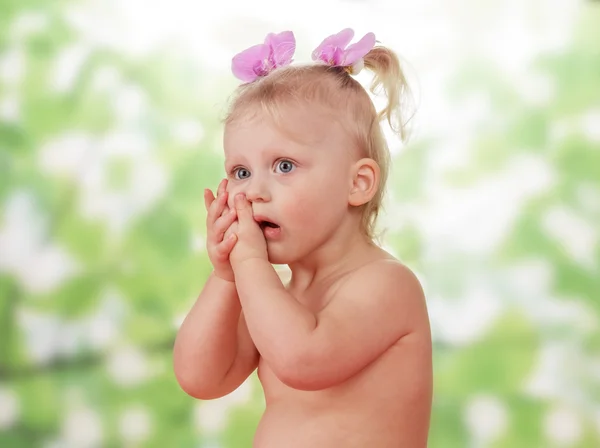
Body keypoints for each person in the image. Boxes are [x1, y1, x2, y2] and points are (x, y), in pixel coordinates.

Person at [173, 28, 433, 447]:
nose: (253, 191)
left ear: (357, 183)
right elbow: (201, 377)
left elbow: (302, 359)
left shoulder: (387, 285)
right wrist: (224, 278)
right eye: (241, 172)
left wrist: (250, 267)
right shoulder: (274, 296)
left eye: (284, 165)